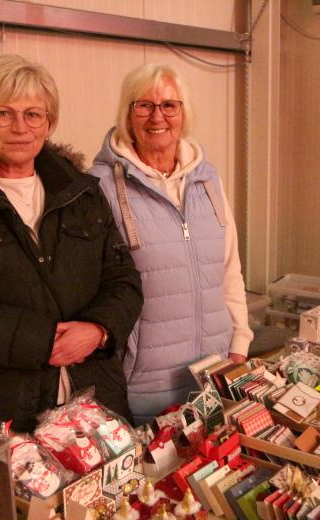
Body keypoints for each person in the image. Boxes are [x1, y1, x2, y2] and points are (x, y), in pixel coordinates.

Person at [0, 54, 143, 432]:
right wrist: (43, 341)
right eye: (3, 113)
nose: (19, 127)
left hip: (95, 400)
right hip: (1, 409)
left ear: (50, 123)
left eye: (33, 114)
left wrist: (98, 330)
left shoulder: (83, 194)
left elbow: (124, 280)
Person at [89, 63, 253, 423]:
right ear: (128, 114)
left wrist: (239, 341)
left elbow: (228, 268)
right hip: (144, 389)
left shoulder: (208, 179)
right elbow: (93, 289)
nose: (157, 116)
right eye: (143, 105)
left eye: (169, 105)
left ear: (183, 113)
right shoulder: (99, 186)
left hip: (214, 375)